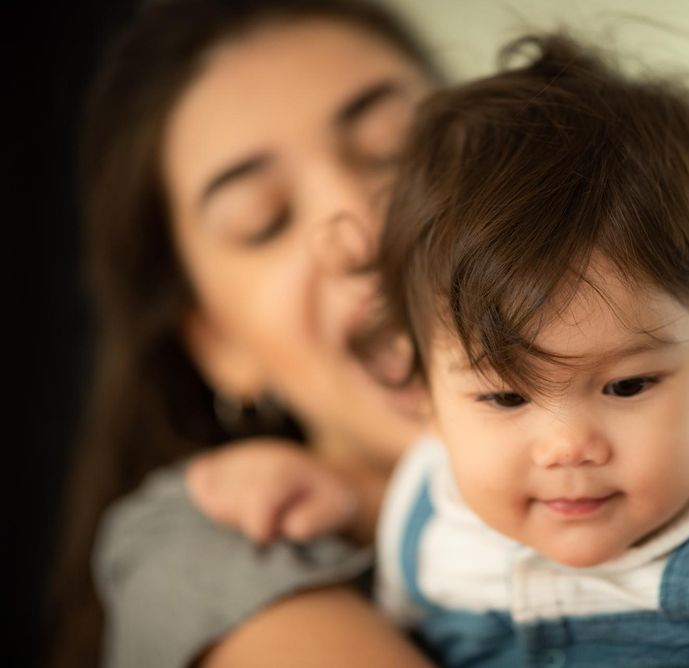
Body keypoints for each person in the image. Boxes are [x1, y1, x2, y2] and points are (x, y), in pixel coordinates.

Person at [192, 34, 689, 666]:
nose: (567, 446)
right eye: (506, 396)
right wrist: (313, 488)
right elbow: (390, 502)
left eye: (627, 386)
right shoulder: (429, 510)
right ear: (426, 394)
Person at [46, 1, 441, 667]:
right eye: (263, 219)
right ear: (217, 344)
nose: (364, 233)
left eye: (393, 147)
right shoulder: (219, 540)